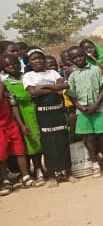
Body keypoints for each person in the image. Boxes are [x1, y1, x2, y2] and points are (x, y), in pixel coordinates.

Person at [23, 48, 74, 187]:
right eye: (34, 59)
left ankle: (69, 172)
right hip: (43, 113)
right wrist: (53, 87)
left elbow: (64, 85)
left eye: (40, 58)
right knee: (48, 144)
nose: (38, 61)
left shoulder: (52, 72)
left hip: (58, 111)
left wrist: (44, 87)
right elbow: (33, 92)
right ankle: (52, 176)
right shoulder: (28, 76)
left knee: (63, 141)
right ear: (29, 62)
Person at [66, 46, 103, 177]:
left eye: (80, 56)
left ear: (85, 55)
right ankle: (95, 164)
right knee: (88, 138)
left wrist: (96, 105)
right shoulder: (72, 75)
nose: (78, 59)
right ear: (71, 60)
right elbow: (71, 94)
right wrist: (80, 107)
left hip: (99, 108)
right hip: (83, 112)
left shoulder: (96, 69)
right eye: (74, 58)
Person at [2, 54, 44, 185]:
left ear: (19, 63)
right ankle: (35, 171)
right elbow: (13, 104)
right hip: (22, 114)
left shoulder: (29, 76)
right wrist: (21, 124)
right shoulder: (6, 84)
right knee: (31, 144)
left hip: (39, 109)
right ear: (3, 68)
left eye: (14, 63)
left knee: (43, 140)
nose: (12, 67)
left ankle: (41, 168)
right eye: (7, 66)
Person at [0, 79, 30, 195]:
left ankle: (26, 176)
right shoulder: (3, 86)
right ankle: (5, 179)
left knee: (19, 151)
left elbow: (13, 106)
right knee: (1, 155)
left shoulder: (6, 87)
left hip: (10, 124)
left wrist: (21, 125)